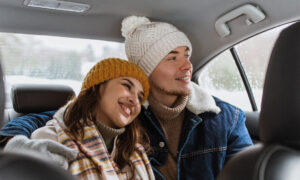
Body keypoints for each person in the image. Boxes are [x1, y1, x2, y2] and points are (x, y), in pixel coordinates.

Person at [1, 16, 253, 180]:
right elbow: (59, 119)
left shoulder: (227, 118)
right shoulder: (123, 115)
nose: (187, 65)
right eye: (172, 57)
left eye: (186, 55)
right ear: (147, 69)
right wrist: (14, 144)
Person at [4, 58, 155, 180]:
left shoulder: (136, 151)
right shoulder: (51, 140)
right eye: (127, 86)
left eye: (140, 97)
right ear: (96, 88)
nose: (135, 100)